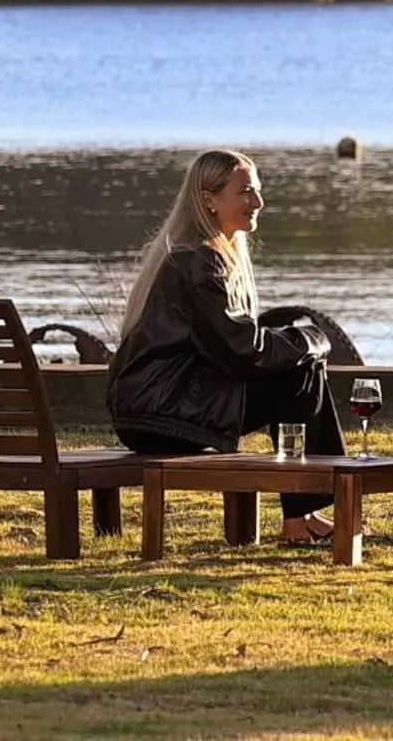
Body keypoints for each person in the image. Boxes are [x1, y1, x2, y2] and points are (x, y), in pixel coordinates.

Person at [107, 149, 347, 545]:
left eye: (258, 191)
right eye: (247, 192)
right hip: (160, 416)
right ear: (209, 199)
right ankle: (305, 513)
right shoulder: (200, 261)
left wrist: (296, 344)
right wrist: (312, 338)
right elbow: (244, 352)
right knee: (299, 373)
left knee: (299, 370)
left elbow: (229, 346)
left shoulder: (200, 253)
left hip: (153, 409)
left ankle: (305, 512)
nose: (258, 202)